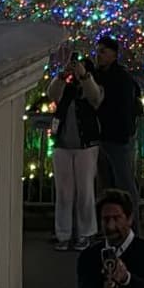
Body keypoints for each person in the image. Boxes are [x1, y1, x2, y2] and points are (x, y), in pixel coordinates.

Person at [52, 50, 103, 250]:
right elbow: (52, 93)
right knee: (64, 192)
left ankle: (85, 232)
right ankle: (63, 234)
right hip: (62, 146)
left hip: (86, 147)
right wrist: (62, 75)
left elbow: (96, 96)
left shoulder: (90, 89)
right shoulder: (66, 90)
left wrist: (84, 76)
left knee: (85, 191)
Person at [95, 34, 144, 223]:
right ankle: (112, 225)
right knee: (108, 185)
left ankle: (132, 226)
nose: (98, 56)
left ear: (113, 55)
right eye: (98, 52)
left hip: (118, 138)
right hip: (104, 137)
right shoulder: (100, 76)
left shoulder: (121, 79)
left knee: (124, 184)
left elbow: (122, 109)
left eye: (103, 52)